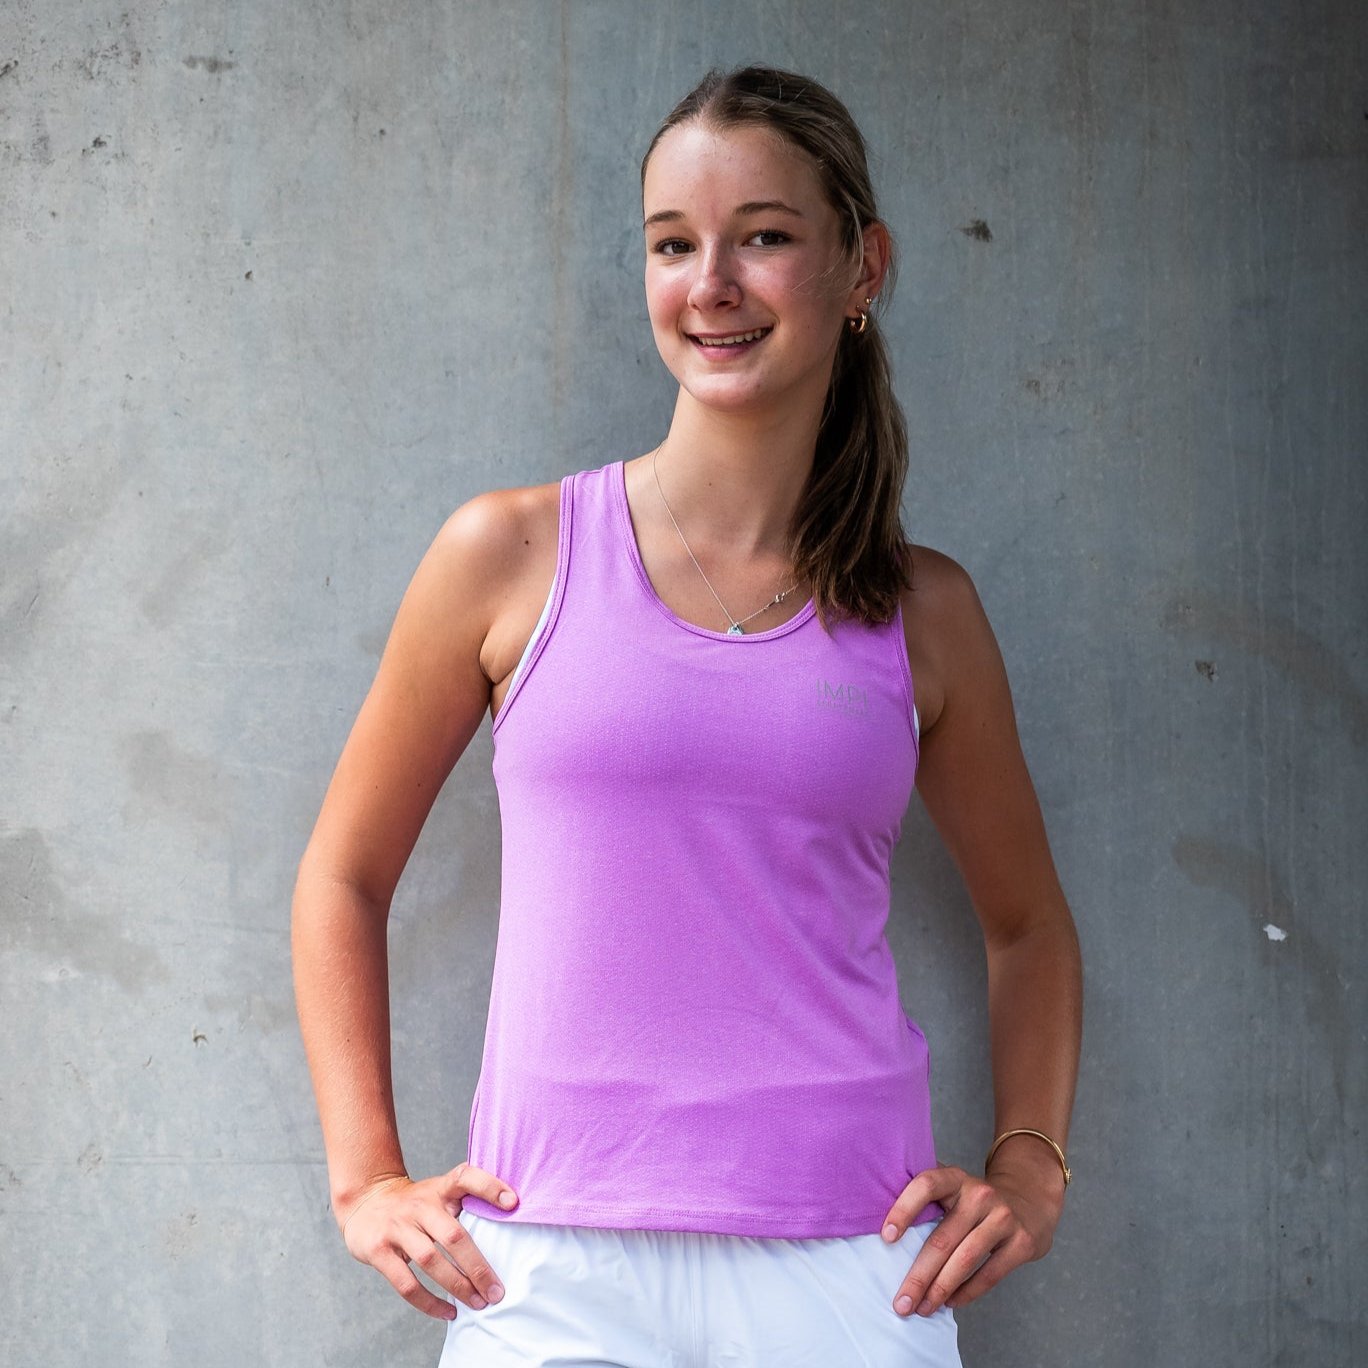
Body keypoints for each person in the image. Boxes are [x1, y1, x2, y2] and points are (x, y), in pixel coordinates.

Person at [292, 64, 1082, 1367]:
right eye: (674, 244)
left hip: (849, 1268)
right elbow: (342, 873)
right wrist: (363, 1178)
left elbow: (1027, 925)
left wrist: (1032, 1167)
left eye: (763, 236)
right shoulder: (509, 554)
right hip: (544, 1260)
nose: (710, 282)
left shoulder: (923, 612)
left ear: (861, 267)